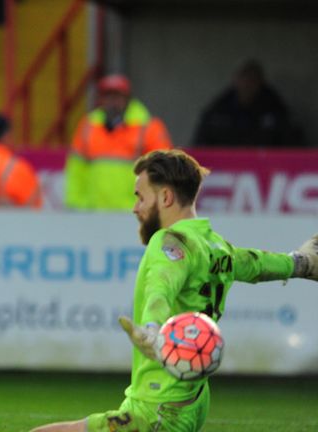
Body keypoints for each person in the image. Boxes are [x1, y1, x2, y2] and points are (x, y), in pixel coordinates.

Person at [31, 149, 318, 432]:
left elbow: (162, 285)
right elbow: (256, 264)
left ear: (165, 197)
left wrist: (153, 328)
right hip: (192, 399)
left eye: (140, 197)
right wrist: (301, 263)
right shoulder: (214, 245)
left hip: (158, 405)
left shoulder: (170, 242)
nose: (135, 208)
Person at [65, 74, 173, 211]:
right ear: (101, 99)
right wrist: (76, 205)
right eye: (107, 96)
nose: (112, 101)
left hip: (134, 212)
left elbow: (164, 173)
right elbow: (76, 170)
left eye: (117, 96)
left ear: (127, 99)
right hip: (93, 212)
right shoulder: (88, 125)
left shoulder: (149, 128)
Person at [192, 59, 303, 148]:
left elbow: (293, 146)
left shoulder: (276, 109)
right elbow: (200, 146)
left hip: (265, 168)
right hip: (226, 169)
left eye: (253, 79)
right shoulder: (218, 110)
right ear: (235, 80)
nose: (247, 84)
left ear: (261, 82)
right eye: (243, 78)